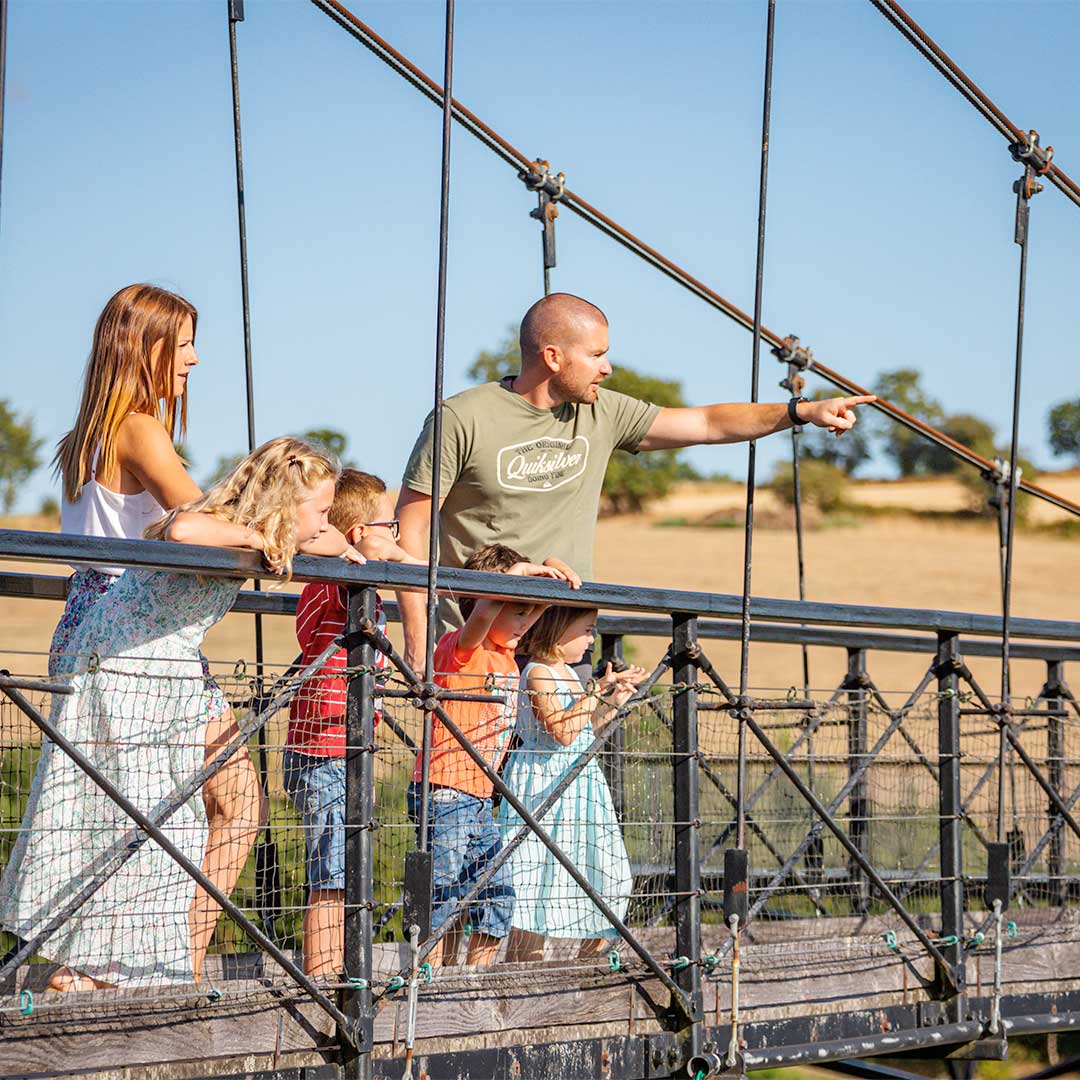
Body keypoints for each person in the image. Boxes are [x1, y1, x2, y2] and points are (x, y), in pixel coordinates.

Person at [0, 437, 363, 989]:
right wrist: (265, 537)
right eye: (315, 506)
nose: (321, 519)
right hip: (124, 668)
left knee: (180, 822)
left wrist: (328, 536)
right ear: (284, 501)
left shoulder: (281, 529)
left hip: (168, 671)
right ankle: (91, 972)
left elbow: (332, 536)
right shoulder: (218, 522)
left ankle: (138, 971)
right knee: (134, 822)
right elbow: (180, 531)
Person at [396, 292, 875, 671]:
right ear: (553, 357)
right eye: (597, 354)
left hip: (561, 643)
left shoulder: (602, 411)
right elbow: (411, 531)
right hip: (476, 643)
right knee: (464, 790)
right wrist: (419, 641)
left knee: (552, 788)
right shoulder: (462, 417)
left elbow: (707, 424)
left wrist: (800, 412)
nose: (608, 367)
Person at [283, 469, 423, 978]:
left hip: (339, 748)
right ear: (361, 534)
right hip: (324, 751)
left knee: (345, 863)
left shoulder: (340, 580)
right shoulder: (343, 581)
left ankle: (342, 967)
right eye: (391, 524)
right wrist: (406, 559)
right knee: (333, 868)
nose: (400, 534)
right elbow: (399, 563)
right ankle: (323, 974)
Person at [407, 544, 572, 967]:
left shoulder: (506, 657)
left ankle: (471, 984)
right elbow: (483, 610)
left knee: (495, 895)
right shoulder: (462, 649)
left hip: (479, 797)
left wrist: (551, 567)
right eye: (517, 612)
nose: (526, 623)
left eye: (528, 613)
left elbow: (543, 603)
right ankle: (429, 981)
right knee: (440, 895)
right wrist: (514, 574)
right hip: (445, 789)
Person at [501, 607, 644, 963]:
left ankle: (587, 969)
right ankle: (521, 978)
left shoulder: (567, 673)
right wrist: (594, 692)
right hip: (543, 787)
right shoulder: (537, 673)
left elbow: (581, 730)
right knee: (535, 884)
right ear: (559, 630)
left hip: (580, 787)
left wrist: (610, 702)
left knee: (608, 878)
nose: (592, 639)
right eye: (587, 630)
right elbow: (561, 732)